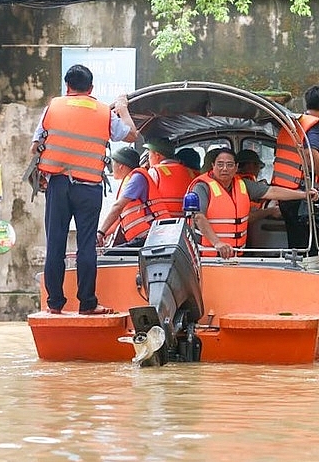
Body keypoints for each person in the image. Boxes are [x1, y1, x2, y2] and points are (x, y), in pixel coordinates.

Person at [30, 64, 137, 315]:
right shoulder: (104, 112)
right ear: (91, 88)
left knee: (55, 244)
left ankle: (54, 304)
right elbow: (132, 135)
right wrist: (122, 109)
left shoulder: (53, 108)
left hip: (58, 185)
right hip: (89, 187)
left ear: (67, 86)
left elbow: (34, 147)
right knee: (86, 245)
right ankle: (87, 304)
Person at [188, 148, 318, 259]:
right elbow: (198, 217)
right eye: (220, 164)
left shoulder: (243, 184)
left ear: (236, 167)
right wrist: (217, 243)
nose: (224, 169)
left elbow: (272, 191)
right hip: (208, 257)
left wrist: (304, 194)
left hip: (236, 255)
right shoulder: (202, 187)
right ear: (213, 165)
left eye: (229, 165)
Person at [271, 85, 319, 254]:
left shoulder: (293, 123)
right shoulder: (317, 125)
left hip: (284, 193)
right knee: (309, 249)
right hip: (303, 195)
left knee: (296, 244)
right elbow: (310, 152)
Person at [96, 146, 168, 248]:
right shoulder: (130, 180)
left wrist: (100, 233)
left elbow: (117, 207)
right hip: (147, 239)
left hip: (151, 238)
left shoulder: (137, 178)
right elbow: (117, 219)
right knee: (110, 252)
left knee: (109, 255)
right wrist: (102, 234)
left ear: (121, 166)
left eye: (113, 163)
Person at [145, 137, 196, 217]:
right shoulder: (189, 172)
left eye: (149, 155)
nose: (148, 160)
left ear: (157, 155)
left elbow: (145, 198)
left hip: (162, 220)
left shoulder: (154, 171)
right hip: (186, 220)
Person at [236, 148, 280, 223]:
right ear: (250, 165)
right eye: (258, 166)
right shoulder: (243, 184)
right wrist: (271, 211)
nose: (259, 170)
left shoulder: (237, 181)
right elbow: (247, 216)